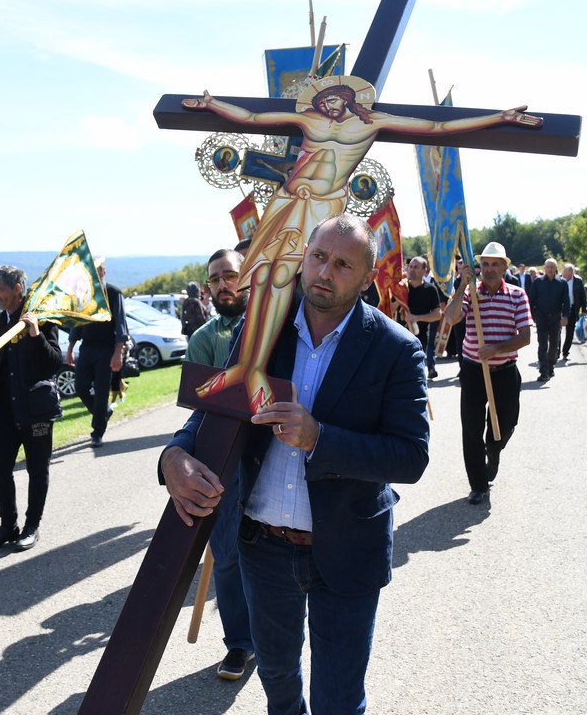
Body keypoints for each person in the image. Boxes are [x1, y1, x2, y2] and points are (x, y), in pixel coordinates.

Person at [159, 214, 429, 715]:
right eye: (319, 257)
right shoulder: (263, 330)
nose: (326, 272)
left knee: (339, 699)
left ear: (367, 278)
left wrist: (319, 438)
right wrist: (173, 454)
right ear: (303, 259)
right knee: (279, 681)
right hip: (264, 549)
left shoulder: (396, 349)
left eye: (344, 264)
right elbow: (216, 405)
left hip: (346, 550)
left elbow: (411, 455)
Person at [182, 78, 540, 413]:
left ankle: (255, 371)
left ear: (351, 99)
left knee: (280, 281)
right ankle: (245, 366)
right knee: (263, 278)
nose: (331, 105)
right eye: (326, 99)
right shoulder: (308, 119)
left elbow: (437, 127)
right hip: (289, 201)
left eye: (337, 99)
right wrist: (214, 104)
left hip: (321, 207)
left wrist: (499, 117)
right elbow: (255, 116)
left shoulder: (369, 123)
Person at [185, 247, 255, 681]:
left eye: (230, 275)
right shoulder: (204, 338)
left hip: (276, 454)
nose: (223, 284)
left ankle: (278, 633)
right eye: (214, 279)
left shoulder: (277, 324)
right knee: (226, 556)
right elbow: (199, 408)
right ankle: (240, 644)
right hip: (225, 459)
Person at [0, 265, 63, 553]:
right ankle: (7, 526)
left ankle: (31, 527)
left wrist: (35, 334)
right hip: (4, 412)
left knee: (37, 471)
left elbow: (53, 364)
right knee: (0, 470)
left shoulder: (43, 318)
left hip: (35, 410)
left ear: (17, 289)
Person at [446, 241, 532, 505]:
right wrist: (461, 285)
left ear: (505, 267)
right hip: (473, 371)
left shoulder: (517, 295)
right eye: (485, 264)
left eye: (495, 264)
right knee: (471, 429)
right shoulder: (471, 293)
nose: (490, 269)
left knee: (505, 426)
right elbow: (451, 318)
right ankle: (478, 485)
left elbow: (526, 337)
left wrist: (497, 348)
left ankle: (493, 453)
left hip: (505, 372)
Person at [67, 257, 128, 448]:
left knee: (102, 391)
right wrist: (70, 348)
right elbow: (77, 324)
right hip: (87, 348)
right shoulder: (83, 295)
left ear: (103, 272)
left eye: (97, 272)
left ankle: (97, 432)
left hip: (106, 348)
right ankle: (103, 413)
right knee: (81, 387)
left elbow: (120, 323)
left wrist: (118, 351)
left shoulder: (112, 293)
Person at [402, 255, 444, 380]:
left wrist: (417, 318)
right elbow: (391, 308)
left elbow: (437, 314)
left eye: (416, 267)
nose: (412, 269)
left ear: (425, 271)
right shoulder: (401, 288)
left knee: (416, 374)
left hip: (419, 338)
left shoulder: (430, 289)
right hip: (399, 336)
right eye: (410, 267)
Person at [528, 258, 568, 382]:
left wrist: (565, 316)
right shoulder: (538, 282)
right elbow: (531, 300)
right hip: (541, 317)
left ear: (556, 268)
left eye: (552, 267)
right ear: (544, 268)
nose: (550, 269)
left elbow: (566, 301)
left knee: (554, 344)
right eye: (548, 267)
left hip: (556, 318)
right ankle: (543, 371)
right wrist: (531, 317)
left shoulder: (562, 283)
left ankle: (550, 366)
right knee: (543, 344)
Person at [560, 262, 587, 360]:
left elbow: (583, 296)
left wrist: (584, 309)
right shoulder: (558, 279)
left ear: (572, 273)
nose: (567, 276)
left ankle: (565, 352)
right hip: (560, 309)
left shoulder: (578, 281)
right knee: (557, 331)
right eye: (565, 274)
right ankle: (555, 350)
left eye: (569, 275)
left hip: (572, 309)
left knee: (570, 332)